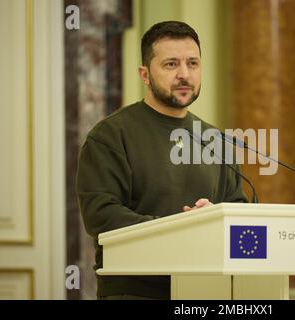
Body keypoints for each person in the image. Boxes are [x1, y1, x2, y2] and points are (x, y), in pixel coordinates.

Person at [76, 21, 247, 300]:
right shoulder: (110, 136)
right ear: (145, 74)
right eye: (171, 64)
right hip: (134, 290)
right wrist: (182, 228)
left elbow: (238, 209)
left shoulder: (216, 140)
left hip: (208, 289)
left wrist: (214, 215)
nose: (184, 74)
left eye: (192, 63)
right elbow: (101, 215)